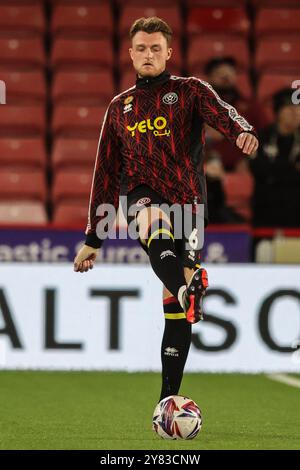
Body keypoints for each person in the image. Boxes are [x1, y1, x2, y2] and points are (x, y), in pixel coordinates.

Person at [74, 17, 258, 401]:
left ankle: (166, 400)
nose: (148, 55)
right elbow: (105, 173)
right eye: (141, 48)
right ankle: (186, 287)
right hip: (141, 193)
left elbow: (223, 112)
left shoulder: (190, 91)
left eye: (155, 48)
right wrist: (94, 236)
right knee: (154, 224)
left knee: (177, 311)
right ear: (130, 53)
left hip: (189, 204)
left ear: (168, 53)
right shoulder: (119, 107)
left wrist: (242, 131)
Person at [204, 56, 266, 170]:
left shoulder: (250, 106)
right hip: (204, 168)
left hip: (242, 167)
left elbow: (264, 135)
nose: (226, 77)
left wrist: (250, 160)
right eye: (219, 73)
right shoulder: (198, 105)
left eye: (230, 72)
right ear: (209, 77)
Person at [250, 88, 300, 227]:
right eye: (290, 108)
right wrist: (292, 168)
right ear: (278, 112)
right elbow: (259, 170)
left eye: (298, 109)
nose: (295, 113)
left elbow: (269, 170)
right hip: (266, 210)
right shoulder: (261, 137)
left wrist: (275, 168)